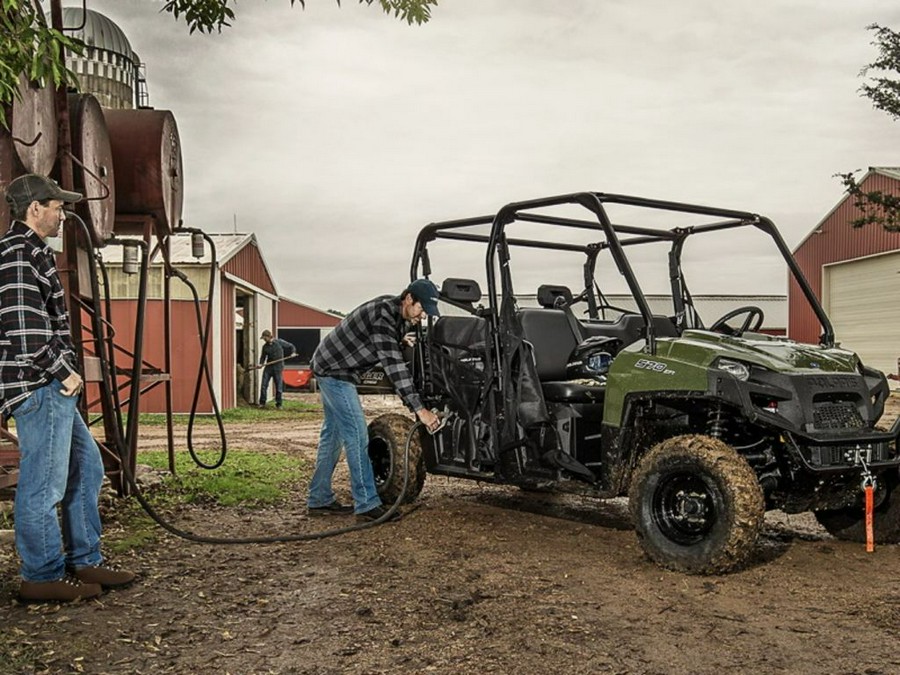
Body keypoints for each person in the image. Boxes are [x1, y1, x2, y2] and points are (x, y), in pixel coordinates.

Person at [2, 174, 135, 602]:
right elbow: (24, 332)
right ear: (33, 208)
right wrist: (66, 374)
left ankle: (84, 560)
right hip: (39, 385)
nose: (63, 213)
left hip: (51, 386)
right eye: (56, 205)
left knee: (87, 468)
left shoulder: (34, 252)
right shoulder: (18, 252)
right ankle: (40, 576)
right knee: (44, 484)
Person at [308, 279, 442, 521]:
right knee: (357, 436)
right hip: (335, 373)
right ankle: (367, 504)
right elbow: (395, 368)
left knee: (333, 436)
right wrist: (420, 410)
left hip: (329, 366)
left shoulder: (395, 311)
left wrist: (400, 340)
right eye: (422, 310)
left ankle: (319, 499)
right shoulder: (383, 316)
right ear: (409, 299)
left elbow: (376, 337)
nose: (422, 317)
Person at [258, 329, 296, 408]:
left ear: (269, 337)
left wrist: (293, 353)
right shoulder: (265, 347)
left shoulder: (279, 342)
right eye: (263, 338)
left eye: (265, 338)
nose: (264, 340)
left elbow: (291, 346)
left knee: (278, 386)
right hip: (269, 367)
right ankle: (262, 403)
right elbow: (263, 357)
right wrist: (260, 364)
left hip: (278, 367)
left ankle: (279, 404)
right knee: (264, 385)